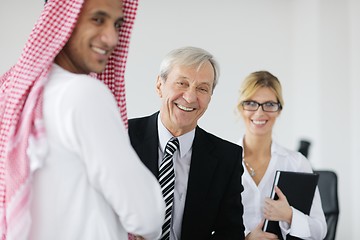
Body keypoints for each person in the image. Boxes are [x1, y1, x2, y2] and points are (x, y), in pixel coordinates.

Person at [0, 0, 165, 239]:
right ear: (63, 19)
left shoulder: (15, 90)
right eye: (97, 20)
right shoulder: (82, 93)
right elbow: (146, 215)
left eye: (117, 24)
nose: (111, 38)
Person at [128, 46, 245, 240]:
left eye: (202, 88)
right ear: (159, 86)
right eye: (182, 83)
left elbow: (230, 233)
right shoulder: (123, 137)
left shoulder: (227, 157)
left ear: (210, 97)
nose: (190, 97)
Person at [235, 70, 327, 240]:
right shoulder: (222, 162)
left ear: (279, 110)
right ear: (241, 108)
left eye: (269, 104)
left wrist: (289, 215)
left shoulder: (297, 163)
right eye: (251, 103)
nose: (260, 113)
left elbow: (320, 230)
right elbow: (203, 227)